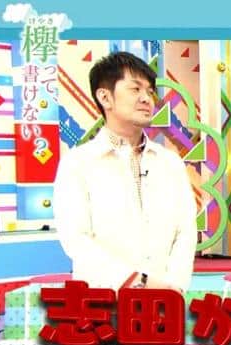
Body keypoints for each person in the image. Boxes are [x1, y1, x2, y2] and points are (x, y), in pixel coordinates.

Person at [53, 51, 197, 295]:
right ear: (105, 97)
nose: (146, 99)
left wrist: (175, 285)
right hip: (103, 300)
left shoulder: (170, 162)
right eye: (135, 89)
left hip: (165, 299)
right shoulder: (78, 163)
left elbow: (186, 231)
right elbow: (76, 238)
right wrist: (137, 281)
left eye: (149, 91)